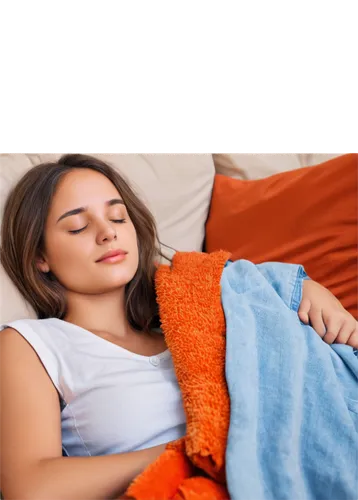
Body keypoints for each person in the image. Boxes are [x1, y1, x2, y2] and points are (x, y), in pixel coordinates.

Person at [0, 154, 356, 500]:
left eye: (118, 218)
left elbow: (283, 364)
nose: (107, 232)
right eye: (78, 226)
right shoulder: (33, 343)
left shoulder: (196, 312)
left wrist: (296, 288)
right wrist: (193, 449)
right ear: (39, 256)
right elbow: (31, 486)